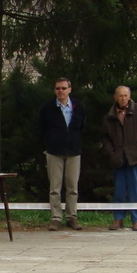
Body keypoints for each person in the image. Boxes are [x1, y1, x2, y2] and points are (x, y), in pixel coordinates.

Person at [100, 85, 137, 231]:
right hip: (118, 158)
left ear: (129, 96)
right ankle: (118, 218)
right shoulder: (109, 116)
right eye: (120, 96)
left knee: (135, 189)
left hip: (135, 157)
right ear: (115, 97)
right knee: (119, 190)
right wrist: (111, 152)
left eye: (125, 95)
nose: (123, 98)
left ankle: (136, 219)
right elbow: (104, 137)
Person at [39, 77, 85, 231]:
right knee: (55, 187)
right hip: (54, 152)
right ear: (54, 90)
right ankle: (56, 218)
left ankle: (72, 217)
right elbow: (41, 129)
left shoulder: (79, 107)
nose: (61, 91)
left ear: (70, 89)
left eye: (64, 88)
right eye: (58, 88)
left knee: (72, 187)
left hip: (74, 152)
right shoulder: (47, 108)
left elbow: (82, 127)